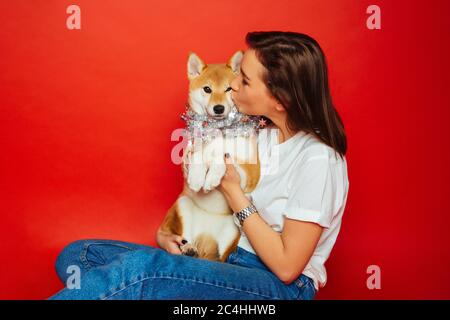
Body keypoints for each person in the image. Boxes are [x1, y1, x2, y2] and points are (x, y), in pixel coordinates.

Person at [48, 31, 349, 300]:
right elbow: (197, 195)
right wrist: (167, 235)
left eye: (243, 80)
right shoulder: (258, 134)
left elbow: (287, 267)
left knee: (140, 271)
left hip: (274, 286)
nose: (232, 83)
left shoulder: (318, 160)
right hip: (220, 256)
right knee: (79, 256)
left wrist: (234, 193)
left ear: (280, 99)